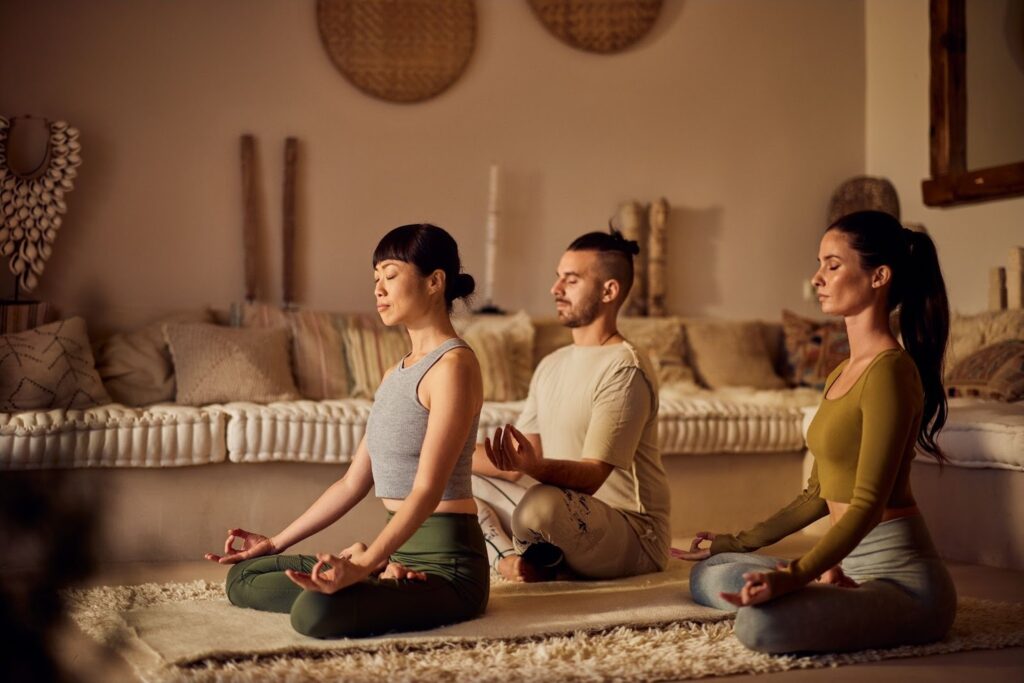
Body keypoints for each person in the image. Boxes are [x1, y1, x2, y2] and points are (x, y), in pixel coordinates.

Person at [677, 210, 956, 653]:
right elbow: (816, 494)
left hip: (902, 584)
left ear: (879, 276)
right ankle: (827, 586)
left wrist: (792, 577)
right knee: (710, 571)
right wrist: (731, 542)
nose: (816, 278)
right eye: (819, 264)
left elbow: (867, 504)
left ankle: (823, 589)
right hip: (847, 564)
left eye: (832, 264)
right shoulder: (840, 372)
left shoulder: (891, 372)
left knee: (759, 627)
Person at [204, 224, 489, 638]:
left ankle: (376, 577)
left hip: (447, 569)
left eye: (390, 275)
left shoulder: (454, 367)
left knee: (314, 611)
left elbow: (427, 490)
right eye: (375, 279)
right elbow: (351, 482)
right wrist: (276, 543)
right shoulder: (396, 373)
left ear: (435, 281)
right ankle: (381, 578)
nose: (378, 289)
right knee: (245, 576)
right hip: (397, 552)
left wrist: (364, 562)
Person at [473, 229, 671, 583]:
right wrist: (434, 452)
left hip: (633, 533)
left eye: (571, 279)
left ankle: (533, 556)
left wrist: (534, 466)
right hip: (565, 517)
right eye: (557, 277)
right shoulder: (551, 364)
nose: (556, 289)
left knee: (540, 506)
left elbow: (593, 477)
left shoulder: (625, 367)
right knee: (448, 476)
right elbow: (522, 458)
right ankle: (511, 562)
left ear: (609, 291)